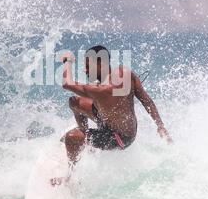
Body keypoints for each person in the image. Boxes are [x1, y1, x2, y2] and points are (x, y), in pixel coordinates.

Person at [51, 45, 172, 186]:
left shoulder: (99, 90)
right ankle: (85, 140)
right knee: (75, 102)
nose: (85, 70)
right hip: (107, 119)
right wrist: (160, 127)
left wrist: (68, 61)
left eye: (88, 66)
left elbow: (67, 83)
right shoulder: (125, 73)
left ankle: (70, 177)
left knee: (71, 137)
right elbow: (147, 100)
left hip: (119, 137)